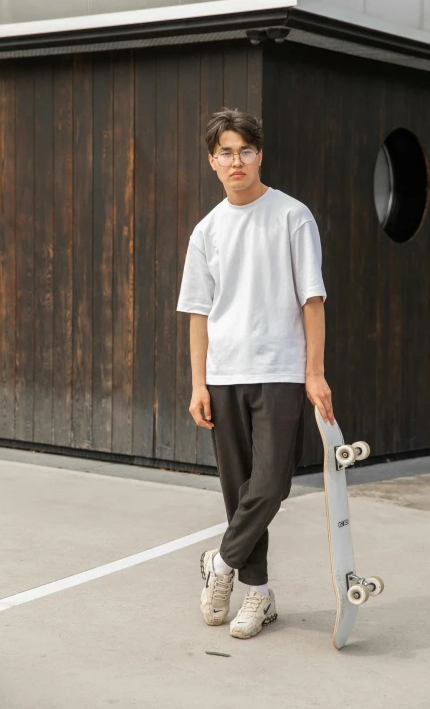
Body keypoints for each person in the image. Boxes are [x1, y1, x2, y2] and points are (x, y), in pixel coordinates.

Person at [176, 107, 334, 640]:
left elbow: (312, 300)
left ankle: (219, 564)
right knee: (237, 488)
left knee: (270, 484)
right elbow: (198, 313)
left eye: (245, 149)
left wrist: (315, 372)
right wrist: (198, 382)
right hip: (223, 375)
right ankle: (258, 594)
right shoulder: (207, 230)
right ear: (212, 162)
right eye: (225, 152)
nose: (236, 160)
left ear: (259, 154)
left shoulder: (293, 216)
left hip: (280, 371)